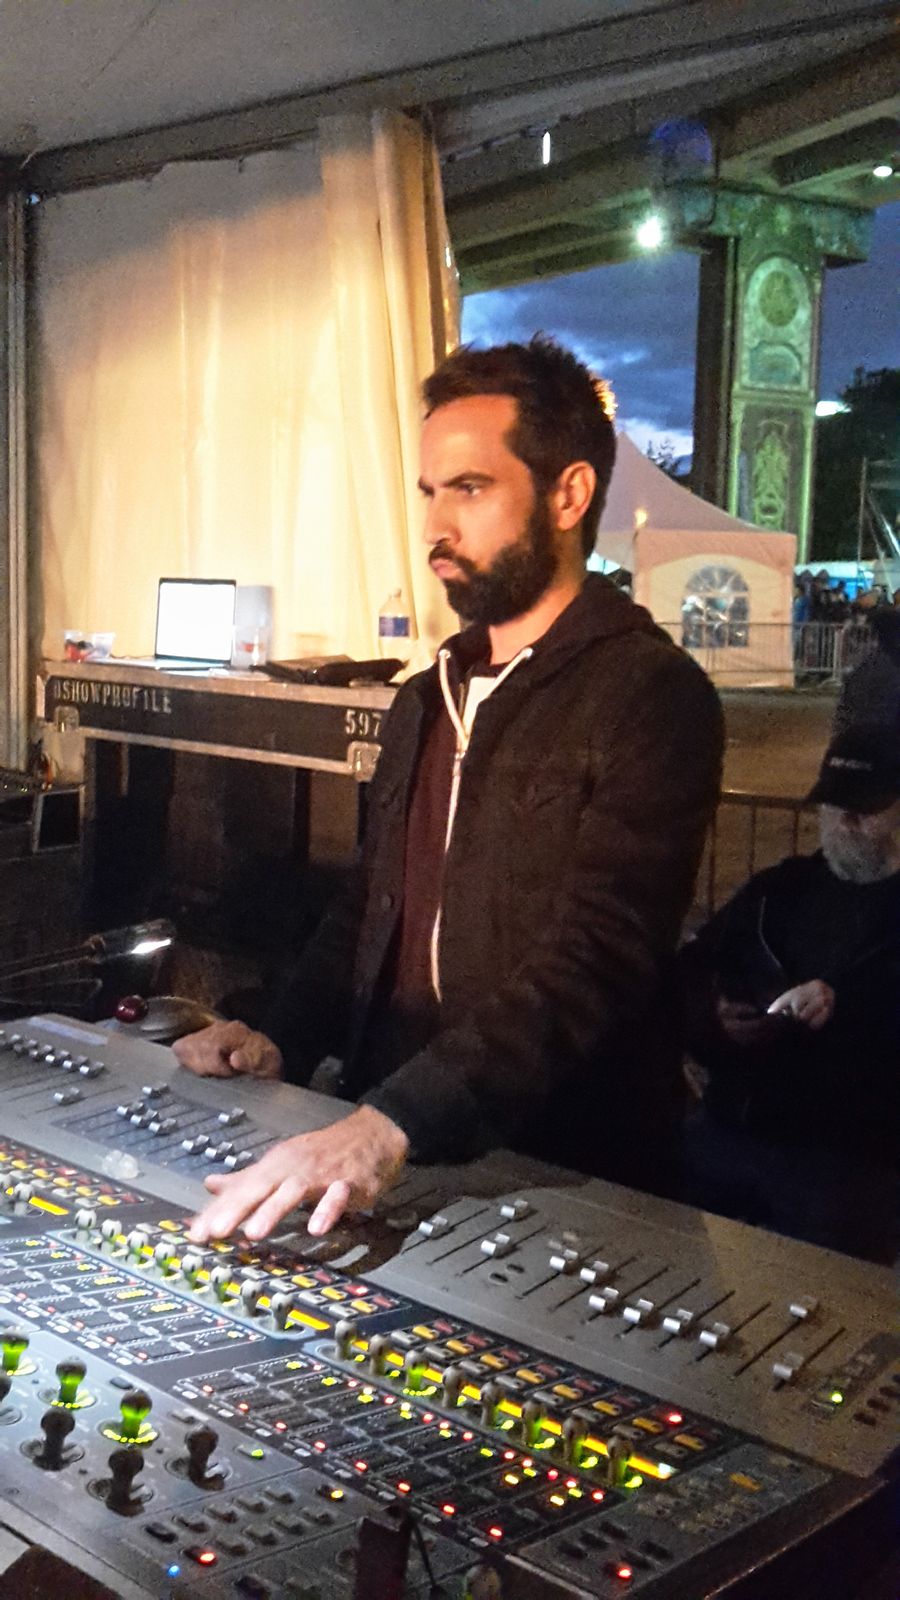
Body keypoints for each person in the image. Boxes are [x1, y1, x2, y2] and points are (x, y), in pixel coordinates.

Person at [178, 336, 724, 1244]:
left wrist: (390, 1124)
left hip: (567, 1172)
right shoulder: (425, 696)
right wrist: (280, 1033)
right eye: (429, 492)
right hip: (396, 1138)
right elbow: (370, 905)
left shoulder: (651, 694)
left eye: (469, 489)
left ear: (568, 495)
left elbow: (598, 957)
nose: (435, 525)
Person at [679, 725, 900, 1263]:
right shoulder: (779, 889)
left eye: (865, 809)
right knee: (662, 1238)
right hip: (731, 1124)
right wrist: (716, 1019)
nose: (844, 822)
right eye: (834, 804)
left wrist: (847, 1009)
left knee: (820, 1281)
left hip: (844, 1156)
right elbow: (692, 970)